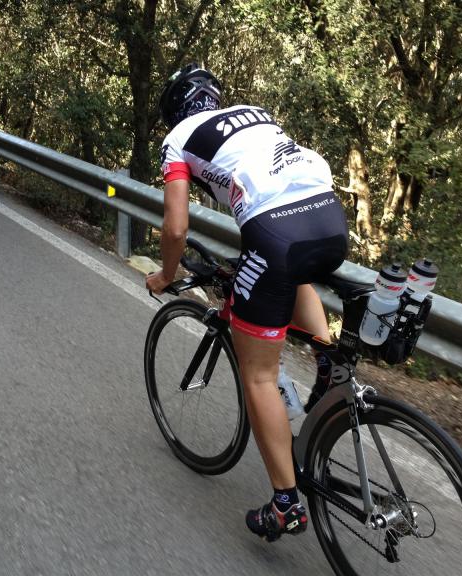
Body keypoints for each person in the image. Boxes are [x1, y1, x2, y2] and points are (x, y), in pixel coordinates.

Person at [146, 63, 349, 542]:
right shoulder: (253, 113)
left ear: (174, 111)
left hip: (275, 233)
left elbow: (176, 227)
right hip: (329, 219)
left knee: (257, 374)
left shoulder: (178, 138)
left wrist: (167, 275)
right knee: (291, 274)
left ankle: (285, 504)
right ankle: (327, 360)